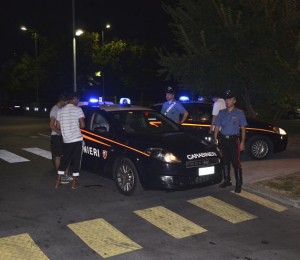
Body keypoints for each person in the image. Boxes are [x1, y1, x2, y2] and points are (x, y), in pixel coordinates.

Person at [213, 90, 247, 193]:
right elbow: (217, 126)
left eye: (230, 99)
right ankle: (227, 180)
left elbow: (243, 129)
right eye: (227, 99)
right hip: (223, 139)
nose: (228, 101)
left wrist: (242, 142)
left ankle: (238, 183)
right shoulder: (221, 113)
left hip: (234, 140)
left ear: (234, 101)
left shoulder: (239, 113)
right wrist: (215, 138)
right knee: (225, 161)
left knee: (236, 162)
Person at [55, 92, 85, 189]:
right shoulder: (78, 109)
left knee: (64, 161)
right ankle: (73, 183)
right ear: (75, 99)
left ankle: (57, 182)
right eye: (78, 100)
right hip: (77, 139)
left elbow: (58, 126)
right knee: (76, 161)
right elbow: (83, 125)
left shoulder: (60, 111)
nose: (78, 102)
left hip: (66, 140)